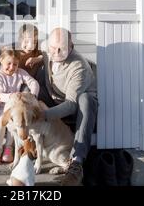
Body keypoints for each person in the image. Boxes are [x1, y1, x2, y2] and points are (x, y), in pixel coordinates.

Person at [38, 27, 98, 186]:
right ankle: (27, 148)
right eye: (52, 48)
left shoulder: (78, 65)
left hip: (76, 107)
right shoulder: (47, 48)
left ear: (71, 46)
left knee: (86, 100)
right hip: (54, 97)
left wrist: (42, 115)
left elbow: (71, 104)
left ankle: (76, 163)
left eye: (62, 49)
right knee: (31, 84)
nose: (56, 52)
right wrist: (37, 58)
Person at [0, 48, 39, 166]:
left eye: (15, 64)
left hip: (16, 108)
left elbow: (33, 83)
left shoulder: (20, 73)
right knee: (2, 122)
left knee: (14, 126)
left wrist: (32, 96)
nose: (12, 67)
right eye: (9, 64)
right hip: (4, 107)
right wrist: (12, 96)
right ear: (1, 60)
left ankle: (8, 148)